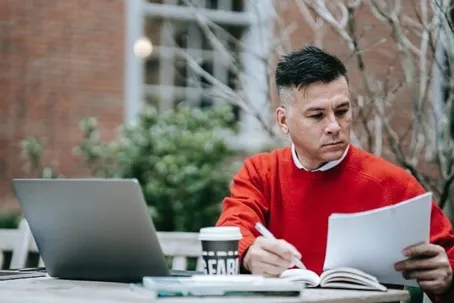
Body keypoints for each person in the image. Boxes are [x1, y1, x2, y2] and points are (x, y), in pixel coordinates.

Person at [215, 45, 454, 303]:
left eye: (342, 111)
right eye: (317, 115)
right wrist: (249, 254)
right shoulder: (261, 173)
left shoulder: (393, 184)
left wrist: (448, 279)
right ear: (283, 121)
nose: (334, 126)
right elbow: (233, 226)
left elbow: (447, 256)